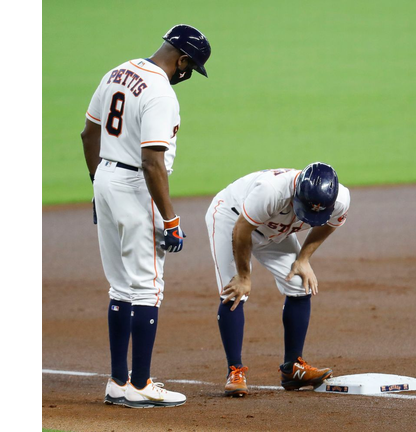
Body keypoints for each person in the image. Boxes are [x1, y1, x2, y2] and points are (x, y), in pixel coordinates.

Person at [80, 24, 211, 408]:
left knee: (120, 286)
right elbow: (152, 162)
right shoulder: (160, 92)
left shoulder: (117, 71)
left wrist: (96, 186)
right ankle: (140, 384)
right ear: (182, 60)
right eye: (190, 67)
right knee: (148, 288)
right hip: (138, 186)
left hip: (104, 177)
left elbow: (89, 134)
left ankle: (118, 382)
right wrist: (170, 220)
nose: (187, 75)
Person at [205, 162, 351, 397]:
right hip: (232, 219)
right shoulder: (272, 192)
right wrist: (244, 276)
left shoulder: (341, 199)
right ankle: (235, 371)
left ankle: (293, 369)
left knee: (299, 284)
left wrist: (303, 258)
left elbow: (330, 225)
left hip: (277, 230)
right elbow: (242, 230)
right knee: (235, 290)